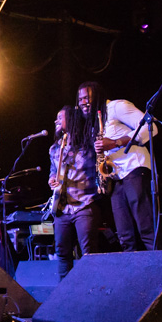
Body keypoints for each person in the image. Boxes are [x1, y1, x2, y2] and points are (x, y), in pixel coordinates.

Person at [78, 81, 157, 251]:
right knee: (124, 235)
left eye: (86, 97)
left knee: (146, 227)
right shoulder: (95, 122)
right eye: (80, 99)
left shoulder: (116, 107)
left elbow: (151, 127)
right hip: (116, 178)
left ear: (97, 95)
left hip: (133, 169)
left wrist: (115, 142)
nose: (83, 102)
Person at [48, 105, 103, 279]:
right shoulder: (55, 148)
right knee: (62, 253)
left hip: (84, 204)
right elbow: (52, 171)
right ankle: (64, 294)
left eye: (60, 117)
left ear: (71, 120)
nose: (56, 120)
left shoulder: (87, 145)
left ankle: (90, 290)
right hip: (62, 207)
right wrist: (51, 179)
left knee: (88, 252)